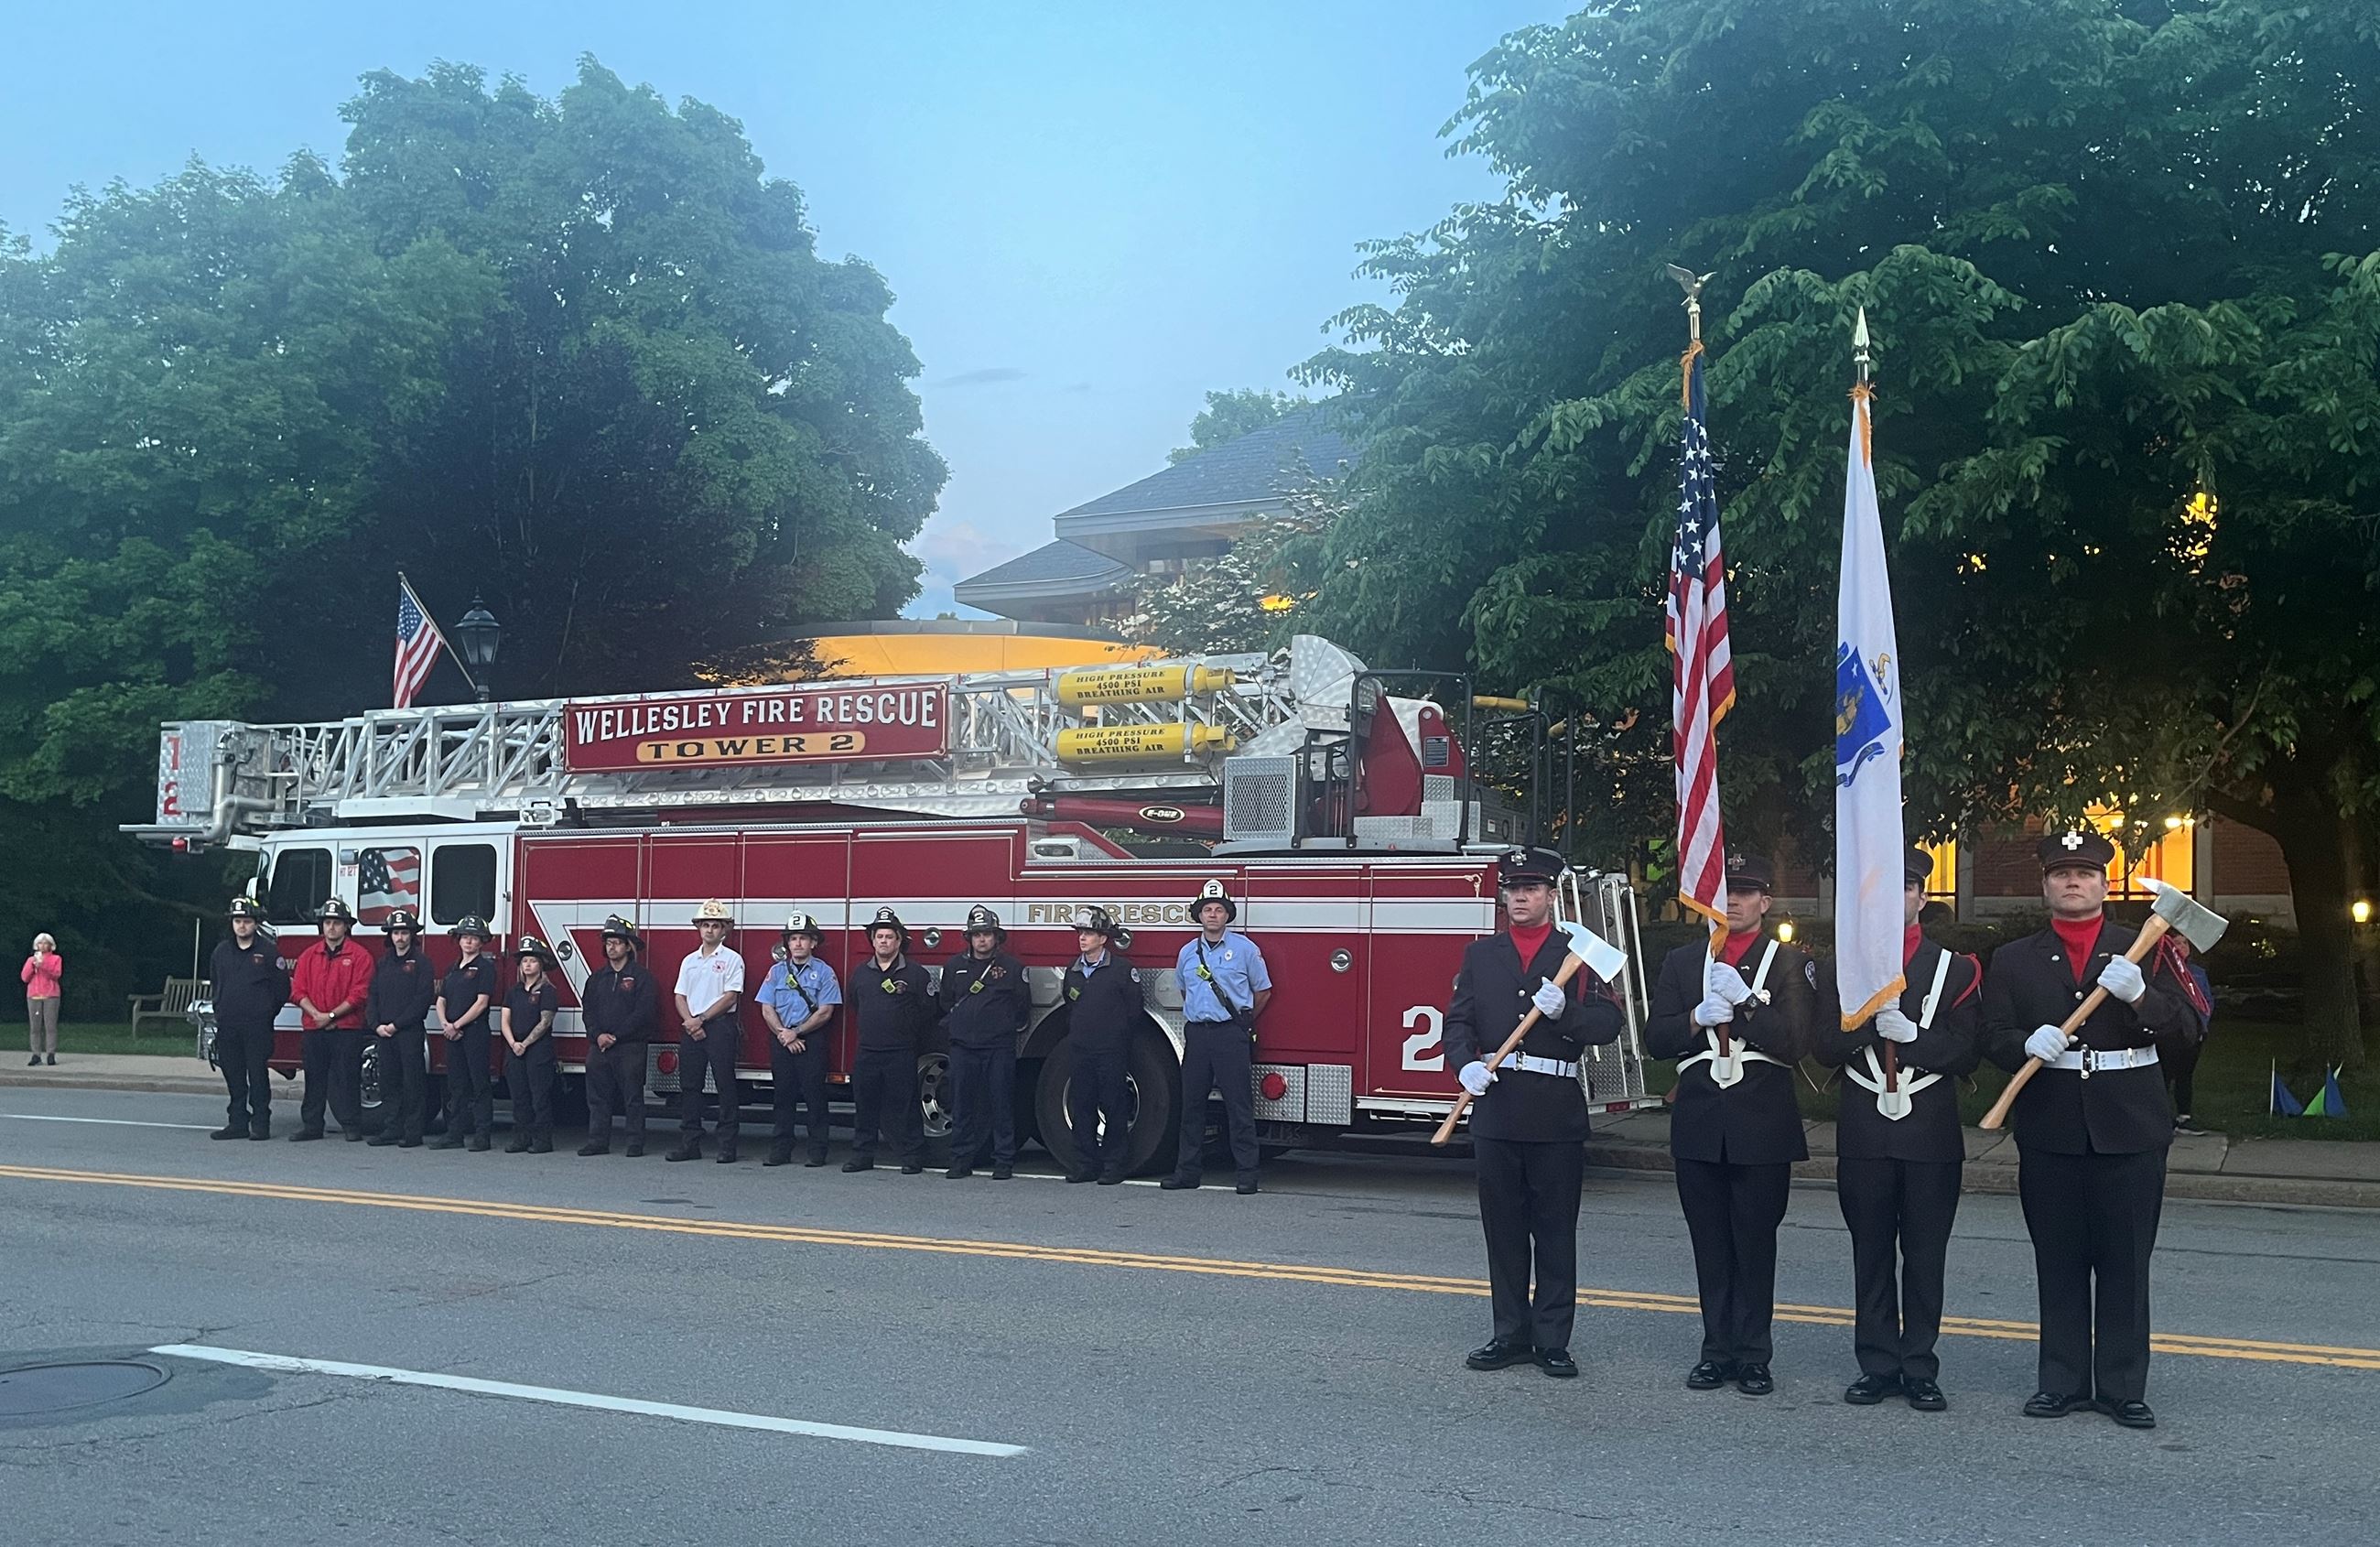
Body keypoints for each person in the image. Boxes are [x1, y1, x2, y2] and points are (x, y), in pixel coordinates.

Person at [1982, 829, 2206, 1431]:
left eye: (2084, 873)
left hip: (2129, 1124)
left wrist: (2142, 1001)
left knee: (2126, 1262)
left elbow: (2188, 1034)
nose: (2072, 882)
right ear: (2046, 884)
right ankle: (2061, 1381)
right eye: (2061, 873)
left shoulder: (2148, 949)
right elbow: (1994, 1037)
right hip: (2052, 1125)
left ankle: (2123, 1386)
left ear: (2106, 885)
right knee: (2058, 1260)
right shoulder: (2013, 959)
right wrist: (2024, 1044)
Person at [1810, 846, 1982, 1411]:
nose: (1896, 900)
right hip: (1865, 1131)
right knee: (1872, 1252)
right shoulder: (1843, 966)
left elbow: (1966, 1054)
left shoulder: (1957, 968)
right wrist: (1865, 1029)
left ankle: (1920, 1365)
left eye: (1905, 889)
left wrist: (1912, 1035)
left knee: (1926, 1253)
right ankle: (1878, 1362)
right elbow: (1823, 1047)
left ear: (1922, 897)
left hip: (1930, 1131)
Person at [1444, 847, 1626, 1379]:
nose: (1520, 897)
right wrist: (1463, 1067)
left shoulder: (1579, 954)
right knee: (1502, 1230)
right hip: (1497, 1107)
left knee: (1553, 1230)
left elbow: (1606, 1025)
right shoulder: (1482, 955)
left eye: (1531, 888)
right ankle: (1509, 1334)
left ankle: (1551, 1339)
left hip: (1553, 1111)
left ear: (1550, 895)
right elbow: (1458, 1022)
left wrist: (1565, 1012)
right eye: (1512, 889)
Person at [1644, 854, 1817, 1396]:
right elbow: (1657, 1039)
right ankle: (1715, 1350)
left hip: (1762, 1123)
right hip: (1700, 1121)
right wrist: (1696, 1017)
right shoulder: (1681, 961)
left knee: (1755, 1242)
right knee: (1710, 1243)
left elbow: (1796, 1044)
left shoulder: (1790, 963)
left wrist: (1746, 1005)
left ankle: (1754, 1354)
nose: (1734, 902)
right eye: (1725, 894)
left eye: (1746, 893)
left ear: (1765, 902)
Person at [1163, 880, 1273, 1195]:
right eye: (1207, 910)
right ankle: (1187, 1173)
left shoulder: (1245, 950)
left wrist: (1241, 1020)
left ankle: (1247, 1175)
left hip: (1230, 1035)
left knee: (1238, 1106)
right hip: (1198, 1035)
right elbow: (1184, 990)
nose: (1213, 915)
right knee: (1192, 1106)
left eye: (1219, 910)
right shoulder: (1187, 952)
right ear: (1199, 916)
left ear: (1228, 916)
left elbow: (1263, 991)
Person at [940, 905, 1029, 1181]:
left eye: (987, 934)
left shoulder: (1013, 968)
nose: (982, 940)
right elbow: (945, 1002)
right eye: (977, 934)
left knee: (1001, 1105)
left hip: (998, 1048)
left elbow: (1022, 1006)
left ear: (996, 937)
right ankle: (960, 1161)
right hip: (963, 1048)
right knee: (962, 1106)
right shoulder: (954, 967)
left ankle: (1003, 1161)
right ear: (969, 937)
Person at [846, 907, 936, 1174]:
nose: (884, 941)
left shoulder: (916, 974)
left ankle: (911, 1156)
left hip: (901, 1052)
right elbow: (855, 1004)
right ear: (872, 941)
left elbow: (928, 1011)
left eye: (889, 936)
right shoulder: (861, 974)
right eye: (879, 936)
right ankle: (862, 1156)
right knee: (864, 1106)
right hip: (868, 1051)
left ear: (899, 941)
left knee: (905, 1107)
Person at [1062, 906, 1142, 1185]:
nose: (1082, 938)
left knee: (1114, 1106)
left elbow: (1135, 1011)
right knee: (1082, 1106)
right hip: (1081, 1049)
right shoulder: (1073, 971)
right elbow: (1069, 1006)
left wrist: (1117, 1038)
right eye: (1081, 932)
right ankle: (1085, 1165)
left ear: (1103, 938)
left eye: (1089, 933)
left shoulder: (1122, 970)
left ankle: (1113, 1165)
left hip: (1111, 1050)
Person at [290, 898, 375, 1142]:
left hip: (346, 1028)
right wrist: (317, 1015)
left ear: (346, 926)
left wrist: (330, 1016)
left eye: (337, 923)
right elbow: (297, 991)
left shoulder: (360, 956)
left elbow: (360, 994)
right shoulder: (308, 956)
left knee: (347, 1078)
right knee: (314, 1078)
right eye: (327, 922)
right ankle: (312, 1126)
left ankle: (351, 1125)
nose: (331, 928)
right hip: (313, 1028)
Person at [760, 913, 840, 1169]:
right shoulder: (776, 972)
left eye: (803, 939)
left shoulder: (825, 973)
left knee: (815, 1097)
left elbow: (826, 1011)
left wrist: (798, 1032)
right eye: (793, 938)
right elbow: (766, 1008)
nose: (798, 944)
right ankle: (781, 1150)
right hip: (782, 1039)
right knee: (783, 1097)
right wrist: (784, 1034)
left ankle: (817, 1150)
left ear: (813, 943)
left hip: (812, 1041)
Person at [670, 899, 747, 1163]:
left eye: (716, 925)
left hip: (719, 1027)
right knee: (690, 1087)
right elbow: (679, 995)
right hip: (692, 1027)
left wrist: (700, 1019)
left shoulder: (732, 959)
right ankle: (690, 1143)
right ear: (698, 928)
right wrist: (691, 1021)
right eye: (705, 925)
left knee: (725, 1086)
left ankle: (727, 1146)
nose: (710, 930)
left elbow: (730, 997)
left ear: (724, 929)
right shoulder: (688, 961)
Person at [207, 899, 287, 1140]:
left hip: (257, 1027)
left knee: (257, 1075)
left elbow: (281, 989)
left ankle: (261, 1123)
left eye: (247, 921)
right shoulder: (221, 952)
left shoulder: (268, 952)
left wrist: (264, 1013)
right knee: (233, 1075)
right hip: (228, 1026)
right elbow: (216, 984)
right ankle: (237, 1122)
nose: (242, 926)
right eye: (238, 921)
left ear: (256, 924)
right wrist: (220, 1009)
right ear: (232, 923)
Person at [579, 916, 656, 1157]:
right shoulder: (596, 978)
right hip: (600, 1047)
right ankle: (598, 1141)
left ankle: (634, 1143)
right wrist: (598, 1035)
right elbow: (588, 1011)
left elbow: (644, 1012)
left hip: (630, 1046)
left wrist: (616, 1035)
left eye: (617, 943)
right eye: (608, 943)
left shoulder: (642, 978)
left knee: (632, 1097)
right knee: (597, 1098)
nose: (611, 947)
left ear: (628, 947)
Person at [363, 908, 438, 1149]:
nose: (400, 937)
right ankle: (391, 1128)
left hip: (409, 1033)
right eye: (396, 933)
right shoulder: (383, 963)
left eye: (404, 932)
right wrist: (376, 1025)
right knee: (388, 1082)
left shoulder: (422, 963)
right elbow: (372, 995)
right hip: (384, 1034)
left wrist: (396, 1025)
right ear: (390, 936)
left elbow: (422, 1000)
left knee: (413, 1083)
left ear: (411, 935)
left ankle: (412, 1132)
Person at [428, 917, 500, 1152]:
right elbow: (441, 1000)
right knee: (455, 1086)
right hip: (453, 1033)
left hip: (475, 1032)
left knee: (479, 1084)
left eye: (474, 938)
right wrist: (445, 1024)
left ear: (482, 942)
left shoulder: (486, 968)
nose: (469, 941)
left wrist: (457, 1025)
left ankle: (482, 1135)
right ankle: (454, 1133)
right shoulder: (452, 969)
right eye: (465, 937)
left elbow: (481, 1004)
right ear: (458, 940)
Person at [503, 936, 561, 1154]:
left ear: (541, 964)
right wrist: (513, 1043)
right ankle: (521, 1138)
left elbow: (545, 1021)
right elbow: (504, 1019)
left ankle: (542, 1140)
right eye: (524, 960)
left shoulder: (548, 991)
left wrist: (525, 1044)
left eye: (533, 961)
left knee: (539, 1097)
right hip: (515, 1049)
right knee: (519, 1097)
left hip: (538, 1051)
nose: (528, 965)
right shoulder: (513, 991)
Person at [2161, 936, 2215, 1137]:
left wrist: (2202, 1027)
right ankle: (2163, 1116)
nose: (2181, 947)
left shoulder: (2198, 973)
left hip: (2194, 1033)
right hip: (2169, 1033)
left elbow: (2207, 1001)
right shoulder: (2164, 972)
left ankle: (2184, 1117)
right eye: (2176, 943)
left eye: (2185, 943)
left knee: (2185, 1075)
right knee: (2164, 1075)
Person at [21, 933, 60, 1066]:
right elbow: (25, 977)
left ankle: (51, 1054)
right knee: (35, 1027)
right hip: (34, 995)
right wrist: (33, 965)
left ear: (51, 945)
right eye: (40, 943)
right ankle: (36, 1054)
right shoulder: (30, 960)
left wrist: (42, 965)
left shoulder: (56, 959)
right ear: (36, 945)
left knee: (50, 1026)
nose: (42, 945)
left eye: (45, 943)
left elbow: (56, 974)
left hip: (51, 995)